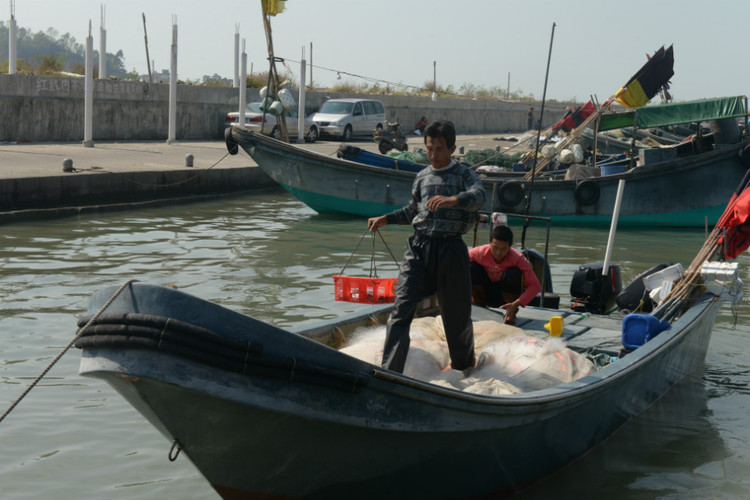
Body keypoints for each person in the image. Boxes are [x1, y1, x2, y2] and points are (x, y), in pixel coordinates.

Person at [368, 120, 486, 374]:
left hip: (451, 249)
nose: (433, 155)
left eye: (439, 149)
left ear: (452, 148)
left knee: (456, 316)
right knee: (400, 310)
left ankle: (463, 365)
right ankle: (390, 372)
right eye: (429, 149)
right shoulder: (421, 177)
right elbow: (413, 211)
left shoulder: (464, 175)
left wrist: (453, 200)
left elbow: (479, 196)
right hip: (419, 249)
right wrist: (385, 219)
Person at [469, 225, 542, 325]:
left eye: (503, 249)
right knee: (470, 267)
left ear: (511, 245)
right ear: (489, 242)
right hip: (483, 294)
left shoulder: (518, 258)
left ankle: (510, 312)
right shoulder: (478, 253)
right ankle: (479, 306)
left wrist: (515, 304)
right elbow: (455, 267)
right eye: (495, 247)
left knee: (514, 273)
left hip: (505, 298)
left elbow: (535, 286)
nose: (498, 253)